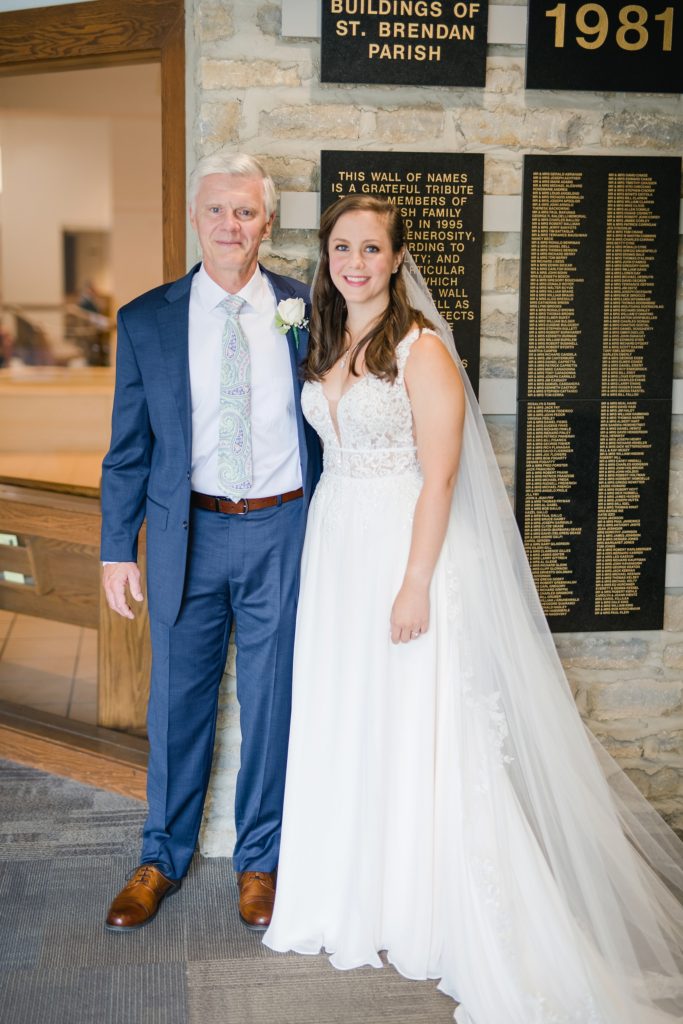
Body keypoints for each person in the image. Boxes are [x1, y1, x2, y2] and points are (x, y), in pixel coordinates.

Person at [263, 194, 683, 1023]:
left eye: (370, 249)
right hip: (336, 548)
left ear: (396, 259)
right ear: (326, 256)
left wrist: (415, 581)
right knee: (351, 712)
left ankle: (419, 898)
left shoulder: (419, 349)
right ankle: (354, 889)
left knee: (411, 718)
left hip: (402, 547)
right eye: (341, 247)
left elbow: (442, 476)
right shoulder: (324, 339)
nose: (354, 263)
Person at [100, 152, 321, 933]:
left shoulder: (309, 306)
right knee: (176, 704)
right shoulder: (146, 319)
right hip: (186, 533)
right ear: (195, 218)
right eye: (218, 210)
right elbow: (129, 446)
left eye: (246, 211)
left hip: (284, 529)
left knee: (272, 702)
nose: (231, 225)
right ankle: (160, 857)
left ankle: (260, 861)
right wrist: (116, 547)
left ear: (268, 222)